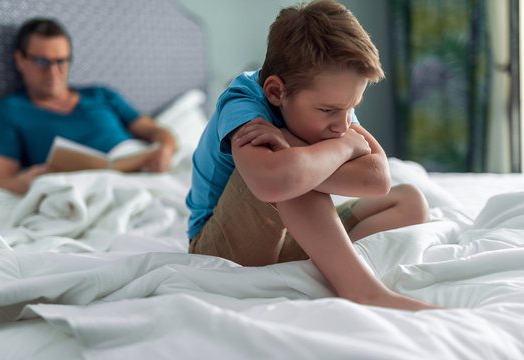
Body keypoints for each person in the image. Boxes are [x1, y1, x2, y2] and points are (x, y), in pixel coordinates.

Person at [186, 0, 439, 311]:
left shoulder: (335, 106)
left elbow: (377, 179)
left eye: (352, 109)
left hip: (288, 235)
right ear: (276, 92)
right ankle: (361, 290)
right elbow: (273, 183)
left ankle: (331, 265)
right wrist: (343, 148)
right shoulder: (242, 103)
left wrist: (304, 145)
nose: (343, 124)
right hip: (219, 246)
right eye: (329, 110)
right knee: (291, 175)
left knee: (410, 199)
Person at [0, 18, 176, 194]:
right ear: (20, 60)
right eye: (42, 61)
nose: (53, 72)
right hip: (83, 190)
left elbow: (154, 130)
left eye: (61, 61)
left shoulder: (102, 95)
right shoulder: (10, 110)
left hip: (142, 176)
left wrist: (165, 149)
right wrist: (29, 180)